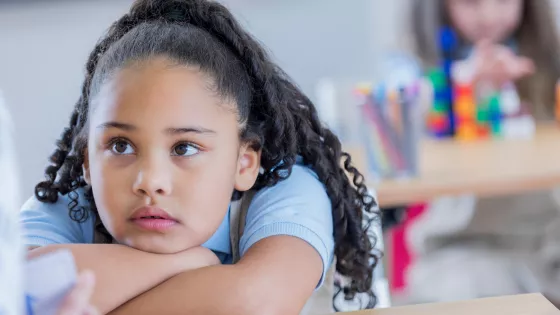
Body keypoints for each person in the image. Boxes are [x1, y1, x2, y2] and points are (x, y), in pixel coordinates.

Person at [20, 0, 380, 314]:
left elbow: (255, 302)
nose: (150, 181)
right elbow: (17, 293)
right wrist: (187, 262)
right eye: (120, 146)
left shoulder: (286, 188)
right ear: (86, 161)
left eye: (184, 148)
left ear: (245, 163)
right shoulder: (64, 207)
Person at [386, 0, 560, 305]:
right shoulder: (419, 71)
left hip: (548, 245)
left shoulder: (547, 64)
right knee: (469, 289)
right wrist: (463, 87)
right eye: (471, 2)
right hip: (466, 249)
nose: (489, 15)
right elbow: (402, 124)